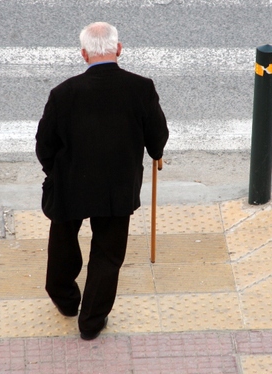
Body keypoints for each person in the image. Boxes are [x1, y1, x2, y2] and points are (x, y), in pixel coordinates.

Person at [35, 21, 169, 340]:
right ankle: (92, 321)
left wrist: (54, 172)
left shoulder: (63, 93)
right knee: (108, 254)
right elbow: (157, 137)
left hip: (70, 182)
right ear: (118, 49)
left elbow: (44, 144)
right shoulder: (141, 88)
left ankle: (65, 299)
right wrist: (155, 150)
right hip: (117, 186)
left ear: (83, 54)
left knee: (63, 239)